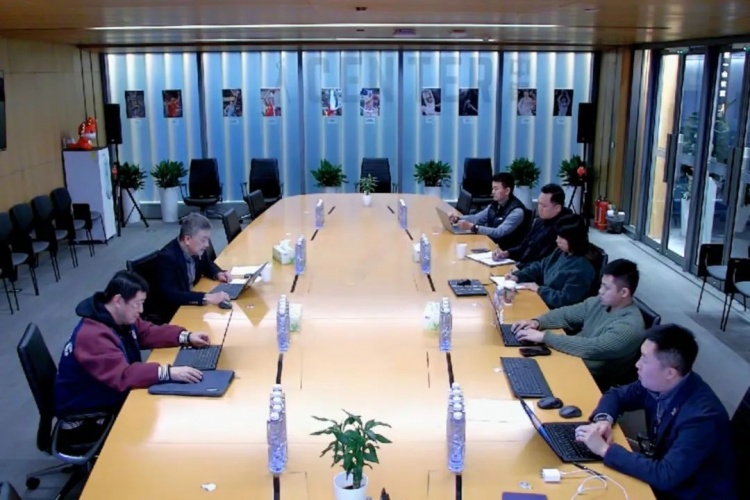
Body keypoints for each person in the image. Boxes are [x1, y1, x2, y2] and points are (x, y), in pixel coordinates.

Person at [575, 324, 737, 499]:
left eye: (644, 359)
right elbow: (616, 395)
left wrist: (605, 450)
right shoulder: (661, 383)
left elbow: (666, 476)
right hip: (664, 470)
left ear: (669, 373)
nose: (637, 364)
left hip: (690, 493)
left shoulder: (702, 418)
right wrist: (603, 420)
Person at [53, 271, 207, 450]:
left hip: (106, 395)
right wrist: (168, 372)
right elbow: (123, 376)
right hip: (88, 418)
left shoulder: (118, 318)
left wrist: (186, 337)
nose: (141, 310)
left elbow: (147, 332)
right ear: (118, 300)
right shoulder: (92, 335)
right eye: (138, 304)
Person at [512, 259, 645, 389]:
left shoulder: (630, 326)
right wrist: (537, 322)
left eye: (606, 287)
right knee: (518, 365)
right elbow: (567, 314)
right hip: (572, 358)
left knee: (524, 376)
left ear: (623, 292)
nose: (600, 291)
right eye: (601, 285)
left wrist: (544, 337)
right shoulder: (601, 302)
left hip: (590, 377)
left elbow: (591, 348)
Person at [506, 214, 595, 309]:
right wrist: (518, 276)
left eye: (561, 237)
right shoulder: (561, 251)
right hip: (542, 300)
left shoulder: (581, 269)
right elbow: (540, 266)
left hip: (555, 310)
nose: (557, 240)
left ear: (574, 239)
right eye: (558, 236)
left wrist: (539, 289)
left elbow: (565, 300)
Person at [154, 212, 231, 321]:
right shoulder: (167, 258)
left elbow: (207, 264)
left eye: (208, 240)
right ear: (187, 239)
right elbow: (172, 295)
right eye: (203, 240)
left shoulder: (195, 249)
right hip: (176, 313)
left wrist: (218, 273)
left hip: (192, 302)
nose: (207, 245)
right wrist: (207, 297)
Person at [493, 183, 570, 268]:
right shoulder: (540, 220)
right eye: (539, 204)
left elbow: (542, 262)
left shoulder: (562, 230)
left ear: (557, 208)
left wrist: (519, 270)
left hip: (532, 271)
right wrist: (507, 253)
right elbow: (525, 245)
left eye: (544, 206)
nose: (539, 208)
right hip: (522, 266)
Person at [448, 172, 529, 248]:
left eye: (496, 189)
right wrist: (457, 219)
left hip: (505, 250)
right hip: (492, 244)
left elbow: (499, 232)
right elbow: (476, 218)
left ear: (507, 191)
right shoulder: (495, 204)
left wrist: (474, 227)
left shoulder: (516, 211)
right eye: (492, 188)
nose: (492, 192)